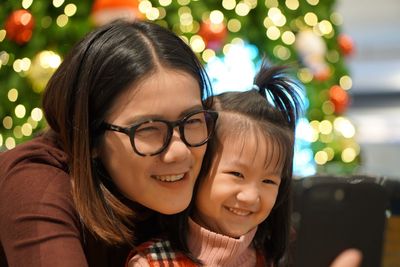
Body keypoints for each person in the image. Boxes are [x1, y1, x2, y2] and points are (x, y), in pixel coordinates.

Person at [0, 20, 218, 267]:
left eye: (191, 120)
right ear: (88, 135)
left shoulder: (214, 159)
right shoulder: (36, 184)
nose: (179, 151)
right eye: (147, 129)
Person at [126, 63, 363, 267]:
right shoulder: (153, 262)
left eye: (269, 180)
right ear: (198, 167)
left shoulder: (264, 259)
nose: (251, 196)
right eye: (237, 174)